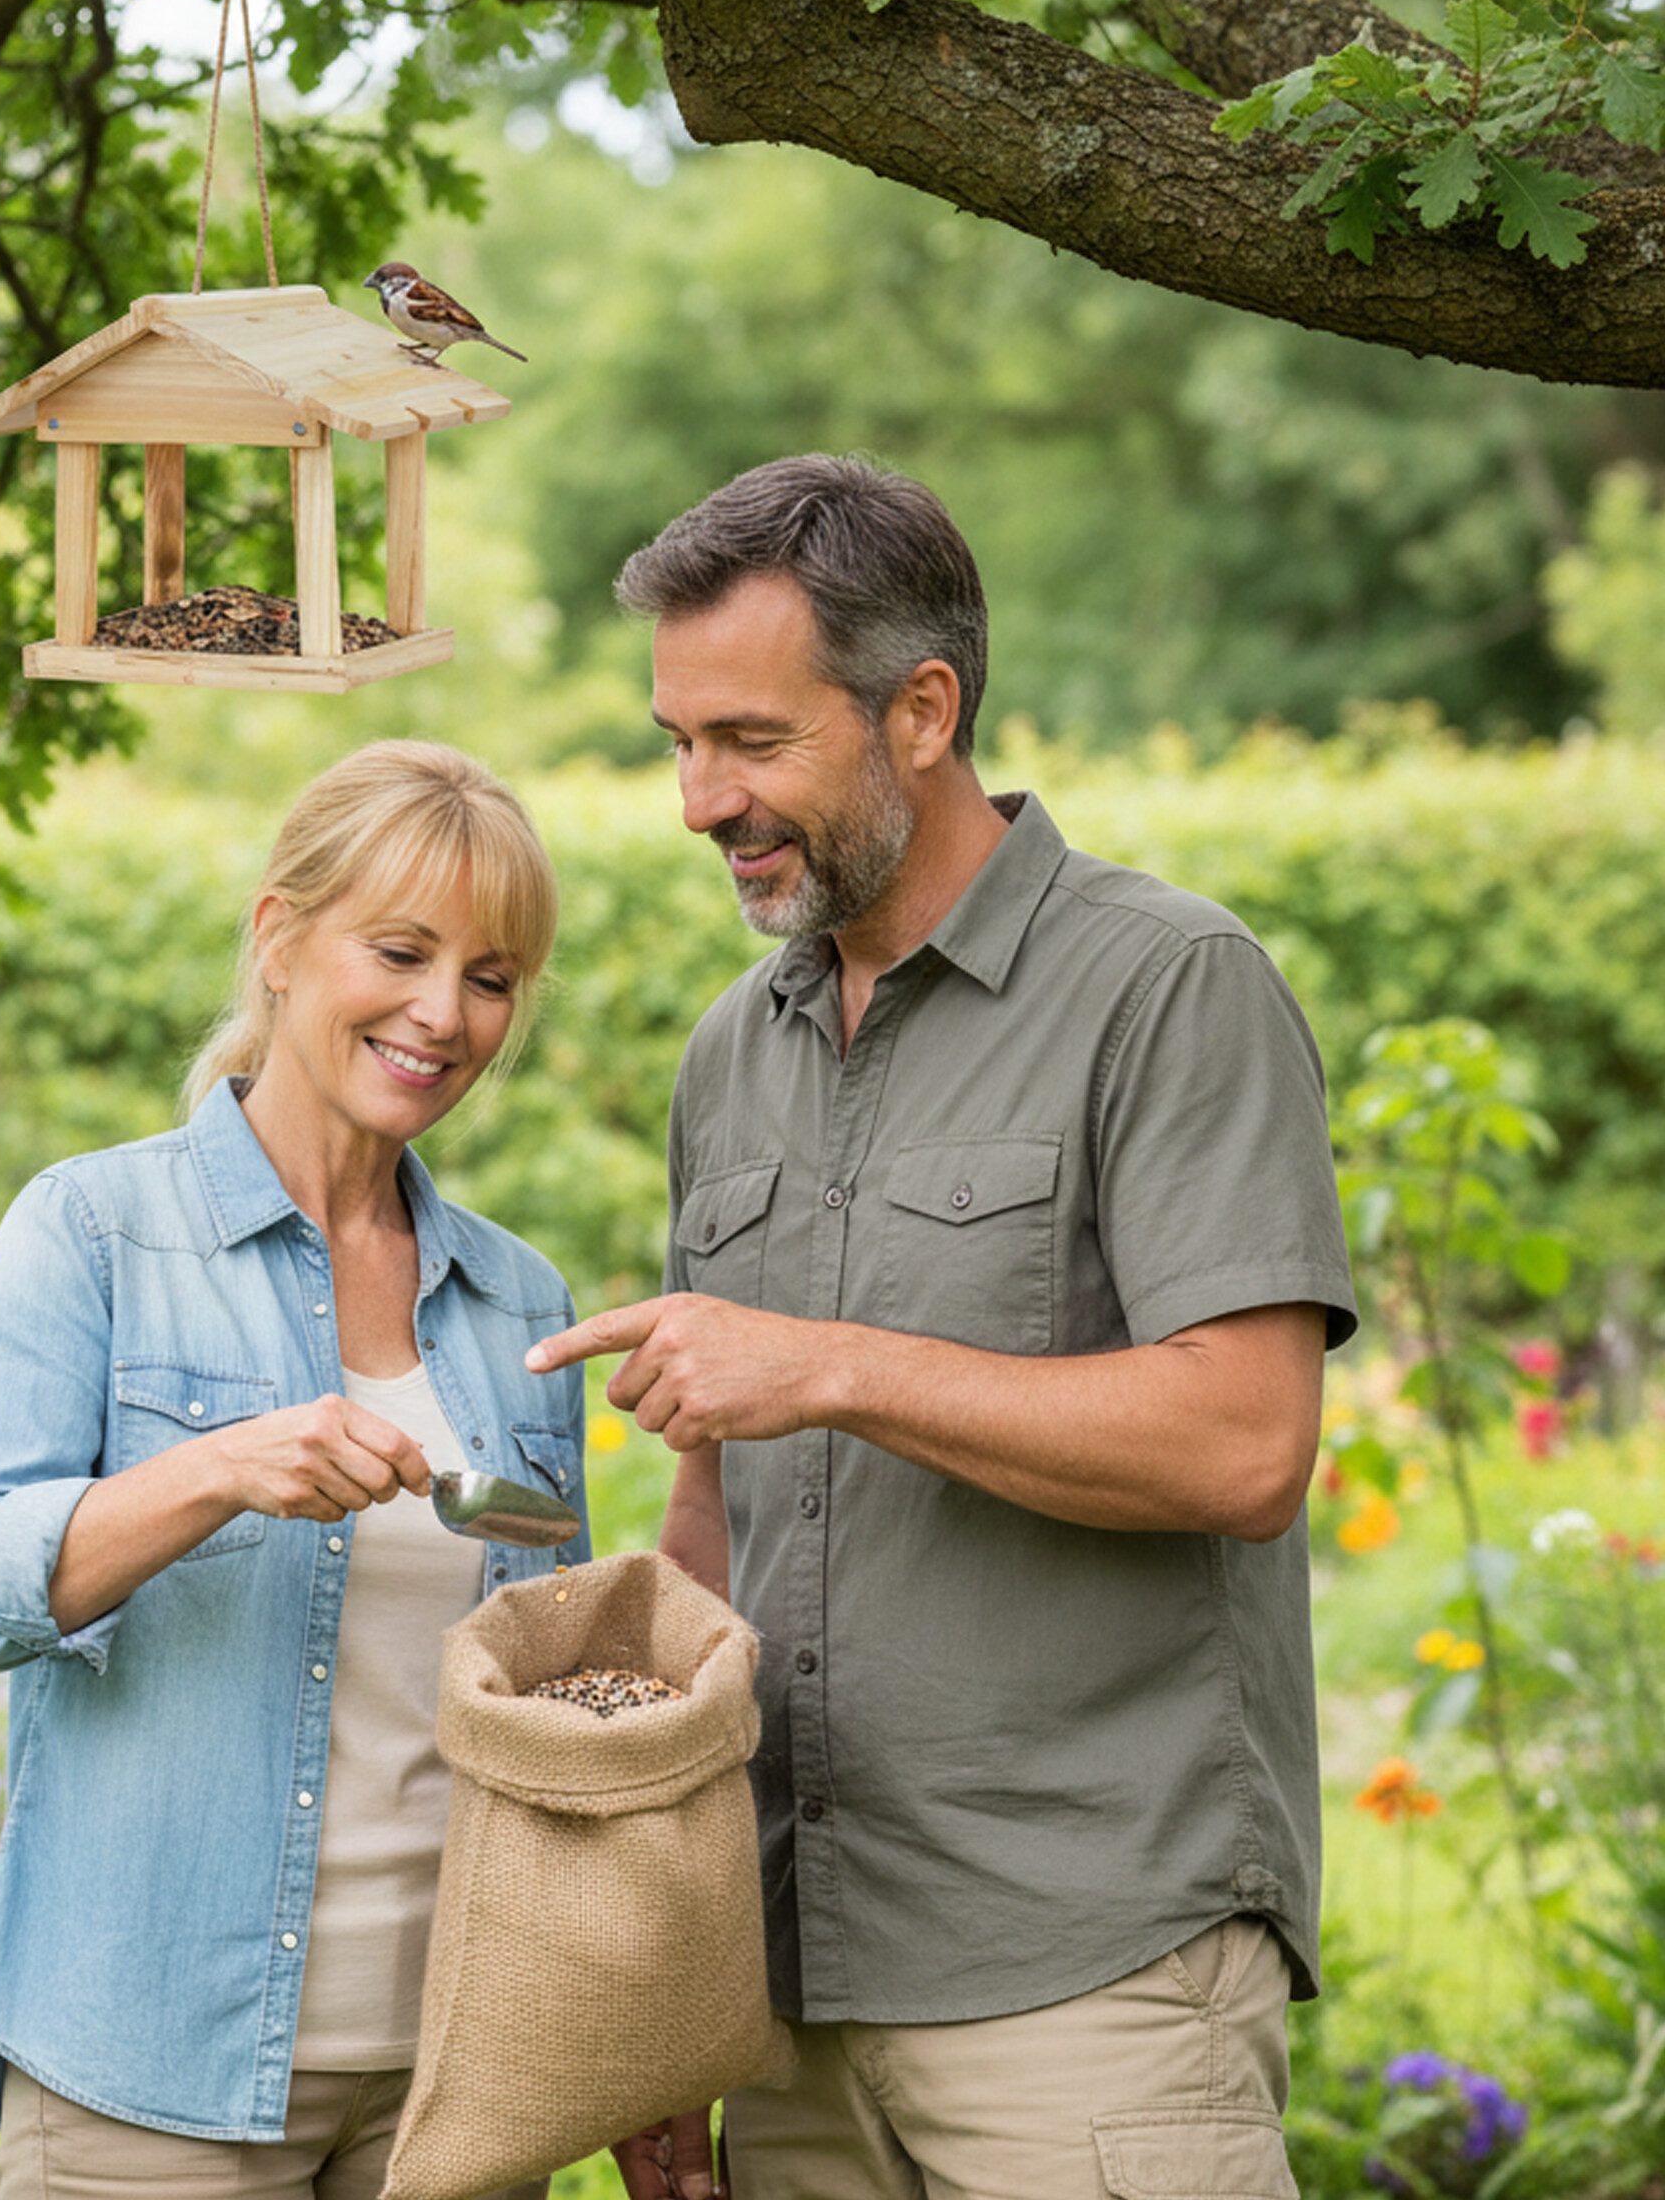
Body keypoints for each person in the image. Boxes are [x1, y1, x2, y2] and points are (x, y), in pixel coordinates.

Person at [529, 457, 1357, 2200]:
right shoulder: (729, 1053)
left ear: (922, 711)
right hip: (798, 2000)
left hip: (1095, 1977)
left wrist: (828, 1363)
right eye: (676, 742)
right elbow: (711, 1525)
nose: (698, 798)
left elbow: (1247, 1441)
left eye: (750, 741)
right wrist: (670, 1988)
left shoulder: (1166, 987)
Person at [0, 738, 590, 2200]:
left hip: (449, 2086)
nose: (443, 1013)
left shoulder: (521, 1302)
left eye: (490, 976)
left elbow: (539, 1698)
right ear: (280, 938)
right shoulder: (95, 1231)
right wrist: (213, 1473)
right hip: (151, 2064)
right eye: (400, 952)